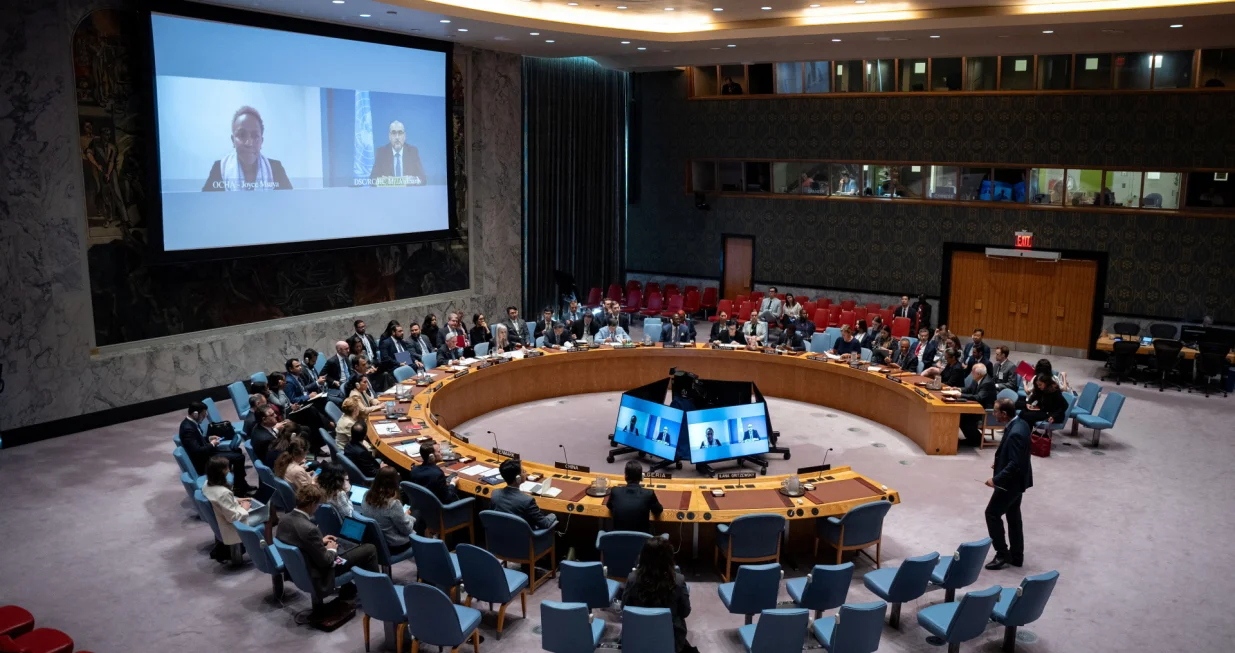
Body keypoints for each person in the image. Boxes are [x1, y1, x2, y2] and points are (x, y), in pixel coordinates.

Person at [276, 484, 379, 610]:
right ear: (311, 504)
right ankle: (376, 593)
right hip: (321, 574)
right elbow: (326, 561)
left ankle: (350, 589)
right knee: (369, 549)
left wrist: (320, 541)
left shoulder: (284, 520)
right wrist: (331, 549)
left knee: (347, 548)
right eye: (317, 505)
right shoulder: (310, 529)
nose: (317, 508)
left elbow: (298, 541)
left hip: (299, 569)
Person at [621, 537, 693, 653]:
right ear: (669, 558)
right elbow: (685, 611)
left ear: (643, 557)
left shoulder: (632, 579)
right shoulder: (678, 581)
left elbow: (624, 608)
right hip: (671, 640)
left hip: (636, 638)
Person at [985, 398, 1032, 570]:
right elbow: (1016, 456)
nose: (994, 414)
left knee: (992, 514)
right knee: (1013, 516)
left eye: (996, 411)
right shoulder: (1021, 423)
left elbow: (1014, 464)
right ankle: (1017, 556)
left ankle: (1002, 554)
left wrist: (996, 479)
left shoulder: (1015, 433)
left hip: (1010, 483)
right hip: (1018, 482)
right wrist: (999, 463)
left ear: (1004, 414)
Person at [202, 106, 292, 192]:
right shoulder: (219, 168)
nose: (249, 143)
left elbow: (289, 201)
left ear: (262, 141)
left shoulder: (276, 168)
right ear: (233, 140)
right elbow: (206, 202)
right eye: (242, 135)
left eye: (255, 136)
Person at [180, 401, 253, 496]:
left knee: (237, 451)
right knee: (239, 457)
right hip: (204, 461)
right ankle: (239, 490)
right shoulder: (188, 429)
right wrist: (212, 444)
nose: (205, 416)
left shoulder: (191, 423)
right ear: (195, 414)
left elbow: (197, 439)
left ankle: (242, 484)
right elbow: (197, 451)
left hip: (207, 453)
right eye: (203, 414)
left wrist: (208, 438)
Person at [202, 456, 258, 561]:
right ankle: (263, 552)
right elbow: (233, 517)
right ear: (221, 471)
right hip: (232, 525)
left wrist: (237, 500)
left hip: (222, 518)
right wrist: (245, 508)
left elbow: (220, 502)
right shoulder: (223, 493)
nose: (229, 470)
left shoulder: (206, 484)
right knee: (266, 515)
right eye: (227, 468)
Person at [357, 467, 415, 554]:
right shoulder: (393, 504)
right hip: (394, 545)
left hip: (374, 542)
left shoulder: (366, 495)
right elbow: (407, 530)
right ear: (395, 482)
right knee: (417, 513)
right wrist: (408, 516)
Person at [490, 460, 558, 530]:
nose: (526, 473)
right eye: (523, 471)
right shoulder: (527, 501)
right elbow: (545, 523)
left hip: (499, 533)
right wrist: (553, 515)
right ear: (518, 478)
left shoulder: (495, 494)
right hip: (523, 535)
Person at [607, 461, 663, 534]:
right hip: (643, 540)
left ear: (625, 476)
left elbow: (609, 506)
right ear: (641, 477)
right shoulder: (649, 493)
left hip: (618, 539)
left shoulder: (615, 491)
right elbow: (658, 510)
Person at [369, 120, 425, 185]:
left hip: (408, 191)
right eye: (394, 133)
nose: (397, 137)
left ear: (404, 136)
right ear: (389, 136)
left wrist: (412, 180)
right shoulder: (381, 153)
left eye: (400, 133)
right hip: (388, 191)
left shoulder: (412, 152)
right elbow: (372, 180)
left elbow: (423, 179)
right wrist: (390, 181)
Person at [959, 363, 997, 446]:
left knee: (964, 417)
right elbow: (969, 390)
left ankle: (976, 440)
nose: (971, 373)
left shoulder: (987, 383)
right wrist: (958, 390)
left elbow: (979, 397)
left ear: (979, 374)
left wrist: (960, 395)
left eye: (972, 371)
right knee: (961, 415)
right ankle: (972, 439)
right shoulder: (977, 379)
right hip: (977, 406)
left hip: (985, 410)